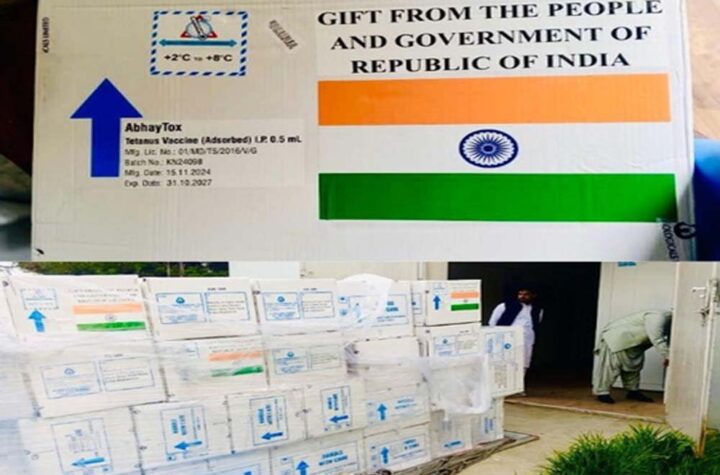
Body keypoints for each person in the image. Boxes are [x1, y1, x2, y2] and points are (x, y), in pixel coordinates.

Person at [592, 310, 672, 404]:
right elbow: (657, 338)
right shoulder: (657, 317)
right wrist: (668, 356)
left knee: (633, 367)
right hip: (618, 338)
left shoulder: (670, 324)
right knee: (610, 367)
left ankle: (633, 391)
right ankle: (602, 392)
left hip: (634, 343)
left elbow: (669, 341)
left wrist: (667, 356)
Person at [489, 286, 544, 372]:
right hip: (508, 339)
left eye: (526, 294)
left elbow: (536, 324)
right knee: (506, 362)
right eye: (520, 294)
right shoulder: (504, 306)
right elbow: (492, 322)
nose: (522, 296)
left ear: (533, 295)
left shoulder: (537, 310)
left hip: (527, 340)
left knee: (523, 363)